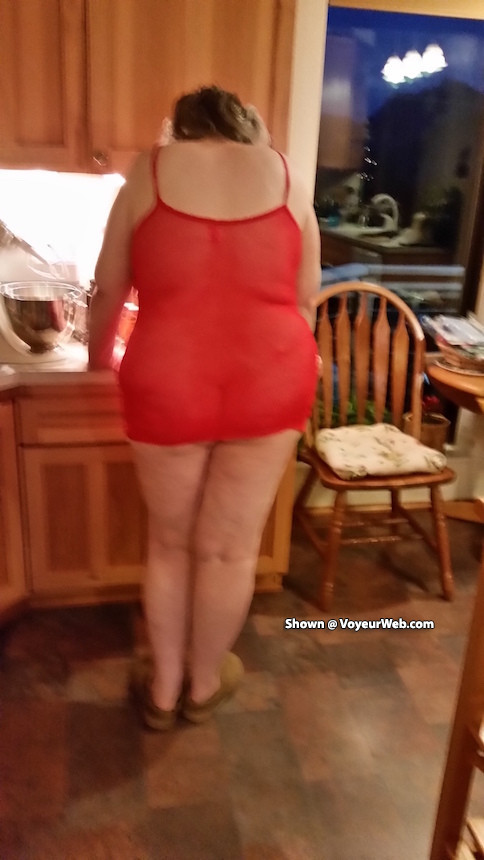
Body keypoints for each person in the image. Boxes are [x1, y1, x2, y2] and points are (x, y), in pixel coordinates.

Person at [88, 85, 321, 730]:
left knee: (169, 545)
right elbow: (306, 299)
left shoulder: (148, 172)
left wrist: (96, 362)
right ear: (246, 128)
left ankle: (164, 691)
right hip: (271, 379)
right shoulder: (287, 178)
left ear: (182, 129)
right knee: (229, 551)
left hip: (168, 379)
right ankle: (205, 683)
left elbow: (108, 288)